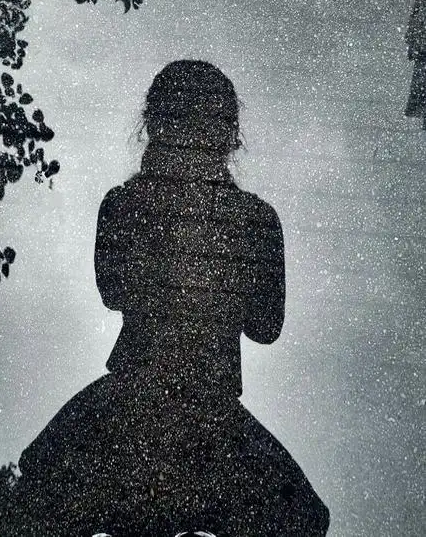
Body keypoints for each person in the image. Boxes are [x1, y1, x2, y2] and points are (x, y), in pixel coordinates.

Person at [16, 60, 330, 536]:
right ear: (229, 134)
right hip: (211, 409)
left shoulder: (123, 203)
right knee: (301, 519)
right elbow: (266, 327)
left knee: (38, 494)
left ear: (155, 125)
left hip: (130, 394)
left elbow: (113, 291)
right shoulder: (256, 219)